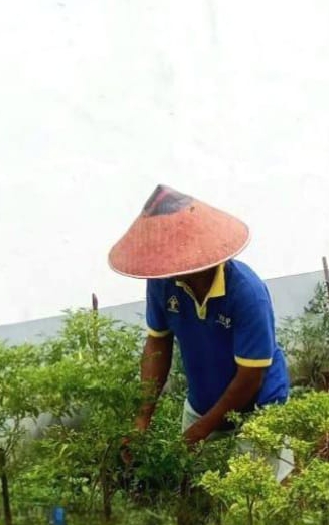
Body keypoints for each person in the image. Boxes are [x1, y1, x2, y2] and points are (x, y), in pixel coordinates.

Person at [110, 185, 293, 480]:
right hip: (203, 400)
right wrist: (141, 419)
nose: (162, 265)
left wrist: (201, 430)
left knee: (252, 494)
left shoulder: (247, 293)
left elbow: (250, 377)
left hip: (260, 406)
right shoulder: (162, 283)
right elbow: (158, 345)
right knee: (196, 488)